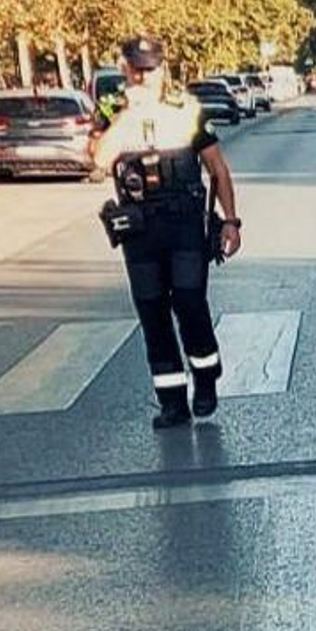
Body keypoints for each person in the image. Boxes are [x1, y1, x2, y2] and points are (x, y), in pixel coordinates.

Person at [91, 36, 242, 429]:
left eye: (150, 68)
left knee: (190, 303)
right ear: (124, 69)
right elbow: (98, 159)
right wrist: (126, 116)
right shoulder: (111, 109)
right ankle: (172, 401)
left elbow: (218, 169)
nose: (143, 76)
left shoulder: (186, 109)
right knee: (152, 313)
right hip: (139, 227)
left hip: (184, 223)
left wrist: (231, 221)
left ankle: (206, 376)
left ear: (163, 68)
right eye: (136, 68)